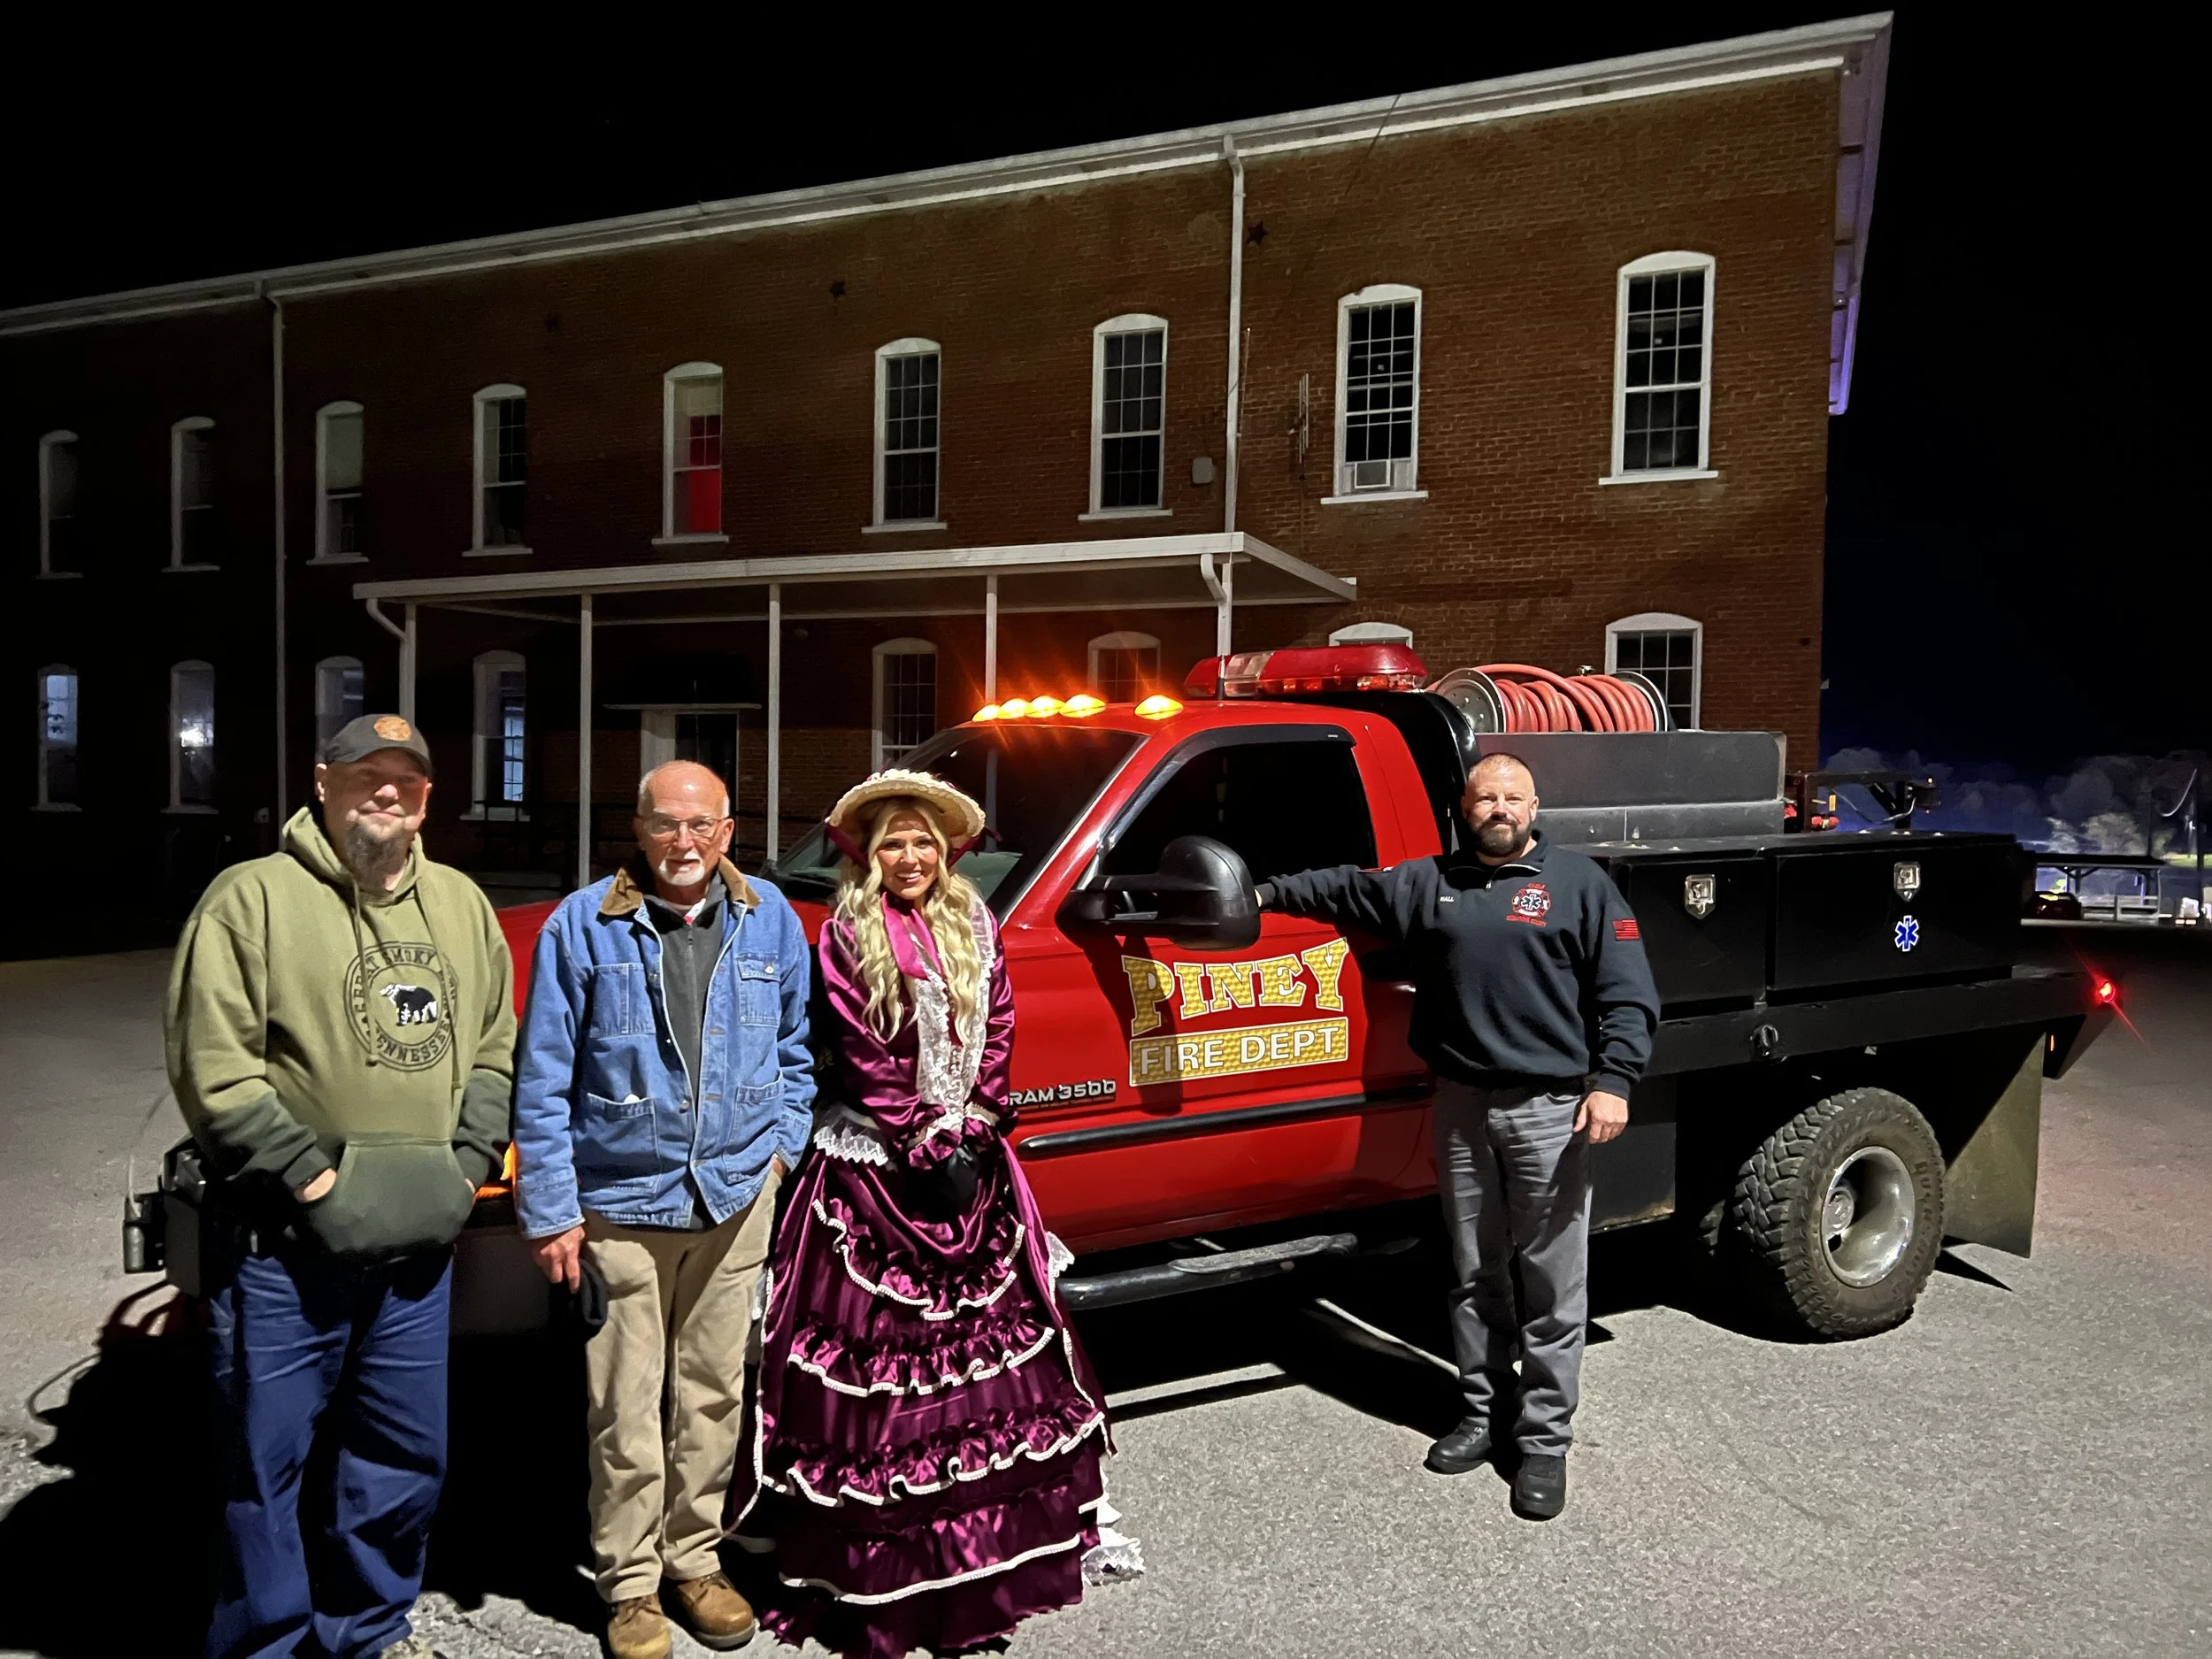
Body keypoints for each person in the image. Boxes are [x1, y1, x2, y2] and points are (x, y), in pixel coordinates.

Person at [738, 769, 1136, 1659]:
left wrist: (982, 1119)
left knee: (982, 1381)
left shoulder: (974, 922)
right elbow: (858, 1049)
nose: (909, 857)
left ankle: (982, 1570)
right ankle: (891, 1582)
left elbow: (997, 1022)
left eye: (922, 841)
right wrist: (923, 1143)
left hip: (973, 1160)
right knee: (889, 1386)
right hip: (877, 1173)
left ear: (946, 851)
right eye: (893, 844)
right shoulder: (847, 935)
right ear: (869, 857)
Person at [166, 714, 516, 1659]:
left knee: (402, 1463)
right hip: (284, 1251)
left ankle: (367, 1632)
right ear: (324, 782)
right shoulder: (251, 901)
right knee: (262, 1471)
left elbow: (493, 1051)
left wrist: (467, 1169)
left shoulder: (460, 904)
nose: (388, 793)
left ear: (428, 798)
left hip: (415, 1260)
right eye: (367, 774)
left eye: (407, 777)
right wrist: (313, 1180)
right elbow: (217, 1073)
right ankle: (265, 1644)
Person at [1260, 751, 1658, 1520]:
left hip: (1551, 1108)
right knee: (1475, 1273)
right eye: (1485, 797)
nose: (1498, 808)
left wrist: (1614, 1080)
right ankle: (1481, 1411)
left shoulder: (1580, 885)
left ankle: (1543, 1442)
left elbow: (1630, 994)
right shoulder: (1427, 881)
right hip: (1461, 1104)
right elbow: (1345, 887)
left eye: (1512, 796)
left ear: (1535, 806)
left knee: (1551, 1282)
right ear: (1464, 808)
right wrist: (1263, 891)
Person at [512, 760, 815, 1659]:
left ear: (728, 832)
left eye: (701, 827)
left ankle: (694, 1561)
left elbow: (799, 1048)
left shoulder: (770, 920)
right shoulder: (583, 926)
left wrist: (779, 1149)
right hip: (620, 1204)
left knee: (717, 1392)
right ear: (637, 831)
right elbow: (542, 1080)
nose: (684, 844)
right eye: (665, 826)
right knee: (624, 1405)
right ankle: (630, 1587)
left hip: (732, 1198)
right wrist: (552, 1210)